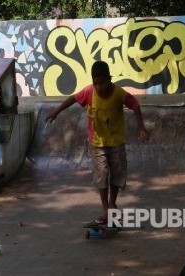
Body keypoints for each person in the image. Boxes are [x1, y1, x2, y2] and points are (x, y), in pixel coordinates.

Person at [45, 60, 150, 224]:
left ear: (110, 78)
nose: (99, 87)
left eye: (102, 83)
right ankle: (105, 209)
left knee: (117, 173)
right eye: (96, 83)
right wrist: (56, 112)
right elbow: (73, 99)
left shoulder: (118, 93)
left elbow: (135, 105)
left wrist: (141, 128)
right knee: (102, 174)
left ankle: (112, 202)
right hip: (97, 143)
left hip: (116, 142)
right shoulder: (89, 92)